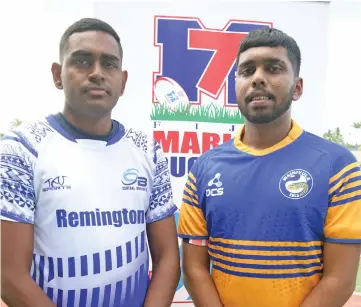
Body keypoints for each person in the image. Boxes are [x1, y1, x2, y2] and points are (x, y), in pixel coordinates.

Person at [1, 18, 180, 307]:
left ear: (122, 82)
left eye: (109, 64)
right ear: (57, 75)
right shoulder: (22, 149)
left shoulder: (148, 151)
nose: (97, 73)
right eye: (82, 61)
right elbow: (9, 276)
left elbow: (168, 258)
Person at [177, 27, 361, 307]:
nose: (258, 78)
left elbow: (339, 279)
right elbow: (194, 268)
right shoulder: (204, 168)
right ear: (235, 85)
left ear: (297, 87)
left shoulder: (338, 167)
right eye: (247, 70)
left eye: (273, 68)